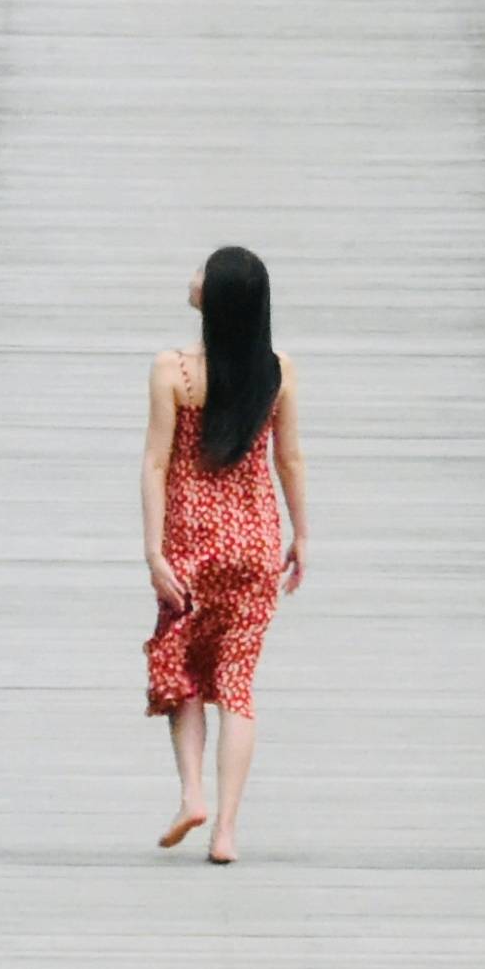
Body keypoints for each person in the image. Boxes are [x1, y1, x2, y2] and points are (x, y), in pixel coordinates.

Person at [143, 244, 306, 858]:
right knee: (237, 683)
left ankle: (192, 794)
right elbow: (288, 459)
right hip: (254, 540)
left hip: (190, 539)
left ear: (213, 298)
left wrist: (152, 550)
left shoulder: (173, 372)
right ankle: (228, 830)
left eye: (199, 274)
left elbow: (157, 462)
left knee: (181, 672)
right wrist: (303, 535)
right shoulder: (278, 371)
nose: (190, 279)